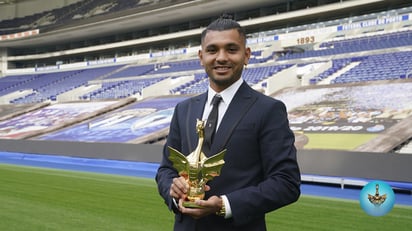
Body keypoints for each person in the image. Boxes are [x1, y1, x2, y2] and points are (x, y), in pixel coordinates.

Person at [156, 15, 301, 231]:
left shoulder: (268, 110)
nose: (221, 57)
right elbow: (166, 170)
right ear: (201, 56)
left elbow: (286, 182)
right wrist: (174, 191)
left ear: (246, 55)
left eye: (231, 49)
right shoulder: (184, 109)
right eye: (212, 50)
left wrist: (224, 205)